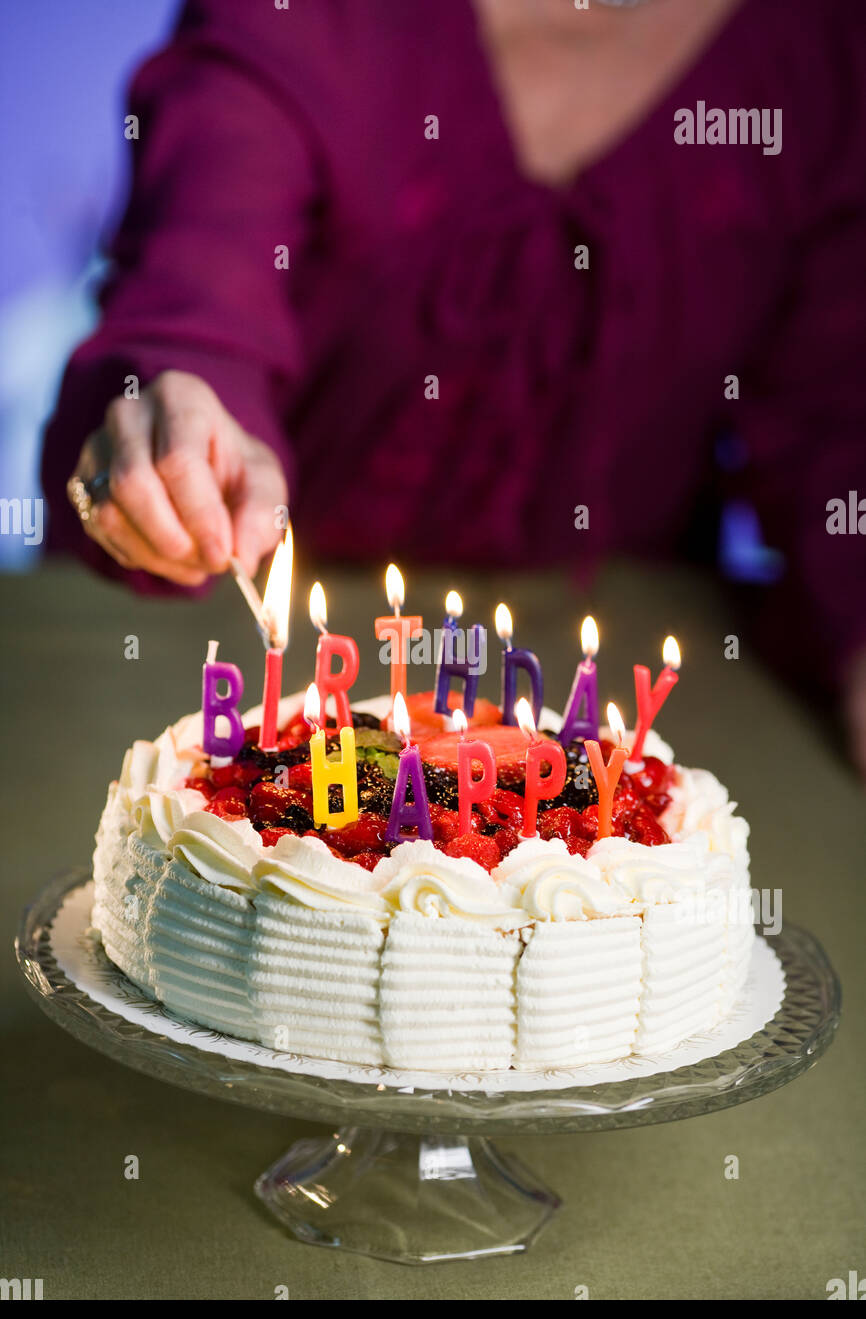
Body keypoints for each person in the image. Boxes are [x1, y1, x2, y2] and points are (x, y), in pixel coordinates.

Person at [41, 0, 866, 771]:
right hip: (216, 646)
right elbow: (196, 298)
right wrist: (181, 420)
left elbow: (835, 425)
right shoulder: (311, 23)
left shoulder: (823, 50)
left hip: (619, 683)